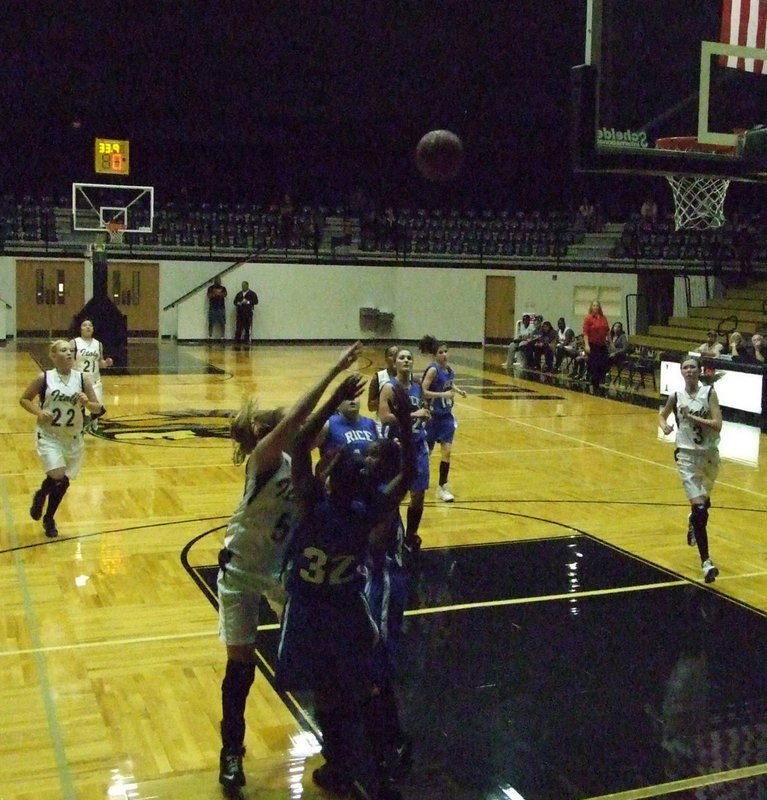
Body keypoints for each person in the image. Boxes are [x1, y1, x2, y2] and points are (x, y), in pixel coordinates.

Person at [216, 341, 364, 795]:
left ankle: (339, 749)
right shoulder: (265, 459)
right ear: (266, 431)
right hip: (241, 570)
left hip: (281, 577)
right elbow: (300, 420)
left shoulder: (307, 472)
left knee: (319, 658)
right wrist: (334, 372)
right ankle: (231, 753)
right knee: (240, 669)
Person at [276, 378, 415, 800]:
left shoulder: (313, 506)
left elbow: (300, 444)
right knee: (355, 681)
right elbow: (407, 474)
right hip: (347, 607)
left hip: (309, 609)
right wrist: (406, 425)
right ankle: (377, 759)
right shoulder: (365, 512)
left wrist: (334, 398)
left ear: (333, 482)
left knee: (326, 689)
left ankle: (341, 762)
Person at [19, 339, 104, 537]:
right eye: (64, 350)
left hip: (73, 437)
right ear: (53, 355)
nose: (69, 353)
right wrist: (38, 412)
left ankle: (49, 516)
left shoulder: (82, 379)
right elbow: (24, 399)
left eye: (71, 350)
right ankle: (41, 497)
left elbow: (98, 408)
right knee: (57, 474)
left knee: (63, 481)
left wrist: (88, 403)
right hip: (49, 435)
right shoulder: (44, 378)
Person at [658, 355, 722, 583]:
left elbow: (717, 425)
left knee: (702, 508)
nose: (689, 371)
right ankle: (706, 562)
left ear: (699, 370)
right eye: (685, 368)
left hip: (709, 457)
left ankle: (693, 521)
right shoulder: (676, 396)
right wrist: (665, 426)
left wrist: (692, 417)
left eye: (693, 367)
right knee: (701, 509)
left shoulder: (709, 393)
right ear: (681, 372)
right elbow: (662, 415)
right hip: (686, 456)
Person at [378, 348, 431, 553]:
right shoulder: (390, 388)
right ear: (395, 363)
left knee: (418, 495)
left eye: (409, 358)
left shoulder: (417, 385)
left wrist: (425, 413)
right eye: (402, 357)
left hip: (418, 444)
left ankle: (411, 535)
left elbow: (423, 407)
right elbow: (384, 417)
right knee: (393, 494)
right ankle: (391, 536)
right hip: (397, 445)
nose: (406, 360)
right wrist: (411, 415)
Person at [419, 335, 466, 502]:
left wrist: (458, 390)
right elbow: (423, 391)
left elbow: (449, 383)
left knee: (447, 452)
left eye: (446, 351)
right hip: (432, 418)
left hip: (446, 417)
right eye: (441, 352)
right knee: (426, 453)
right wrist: (441, 395)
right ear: (435, 355)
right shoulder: (433, 370)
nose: (444, 354)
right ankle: (414, 481)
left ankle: (442, 486)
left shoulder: (449, 370)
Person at [70, 318, 113, 431]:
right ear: (80, 328)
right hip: (80, 381)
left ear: (93, 329)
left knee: (96, 408)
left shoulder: (98, 344)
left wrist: (106, 363)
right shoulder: (74, 342)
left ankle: (93, 427)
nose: (88, 327)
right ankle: (79, 427)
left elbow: (100, 363)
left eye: (90, 325)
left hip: (95, 381)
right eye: (85, 325)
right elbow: (70, 361)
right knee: (78, 408)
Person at [582, 300, 610, 391]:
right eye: (594, 305)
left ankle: (599, 380)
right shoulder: (588, 318)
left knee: (604, 364)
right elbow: (585, 333)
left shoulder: (603, 318)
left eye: (597, 305)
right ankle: (595, 384)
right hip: (593, 344)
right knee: (595, 364)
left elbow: (607, 331)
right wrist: (587, 345)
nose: (595, 307)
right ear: (591, 307)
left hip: (602, 345)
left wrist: (611, 344)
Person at [367, 344, 399, 418]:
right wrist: (385, 397)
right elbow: (370, 407)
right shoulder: (378, 377)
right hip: (382, 423)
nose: (394, 358)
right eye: (391, 355)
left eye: (397, 355)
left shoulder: (410, 378)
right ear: (386, 359)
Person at [233, 280, 258, 345]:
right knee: (239, 327)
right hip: (240, 312)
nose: (243, 287)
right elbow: (235, 302)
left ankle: (246, 340)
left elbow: (256, 301)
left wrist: (248, 302)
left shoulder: (252, 293)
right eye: (242, 286)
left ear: (247, 286)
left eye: (244, 286)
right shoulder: (239, 294)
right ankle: (237, 340)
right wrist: (239, 303)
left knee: (247, 327)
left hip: (248, 313)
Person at [207, 275, 227, 340]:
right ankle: (210, 336)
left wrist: (218, 294)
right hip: (213, 307)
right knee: (211, 323)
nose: (218, 281)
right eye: (217, 280)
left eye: (219, 280)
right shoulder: (210, 288)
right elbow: (209, 295)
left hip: (221, 307)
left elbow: (224, 294)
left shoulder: (223, 288)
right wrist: (216, 294)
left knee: (222, 323)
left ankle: (222, 337)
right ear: (214, 281)